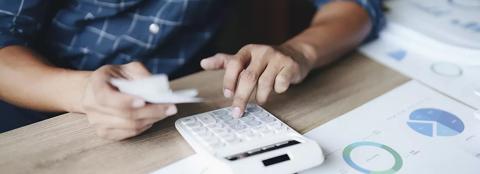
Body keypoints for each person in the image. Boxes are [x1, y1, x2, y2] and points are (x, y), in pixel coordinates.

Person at [0, 0, 383, 140]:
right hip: (33, 118)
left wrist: (299, 50)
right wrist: (83, 93)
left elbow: (358, 7)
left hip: (176, 115)